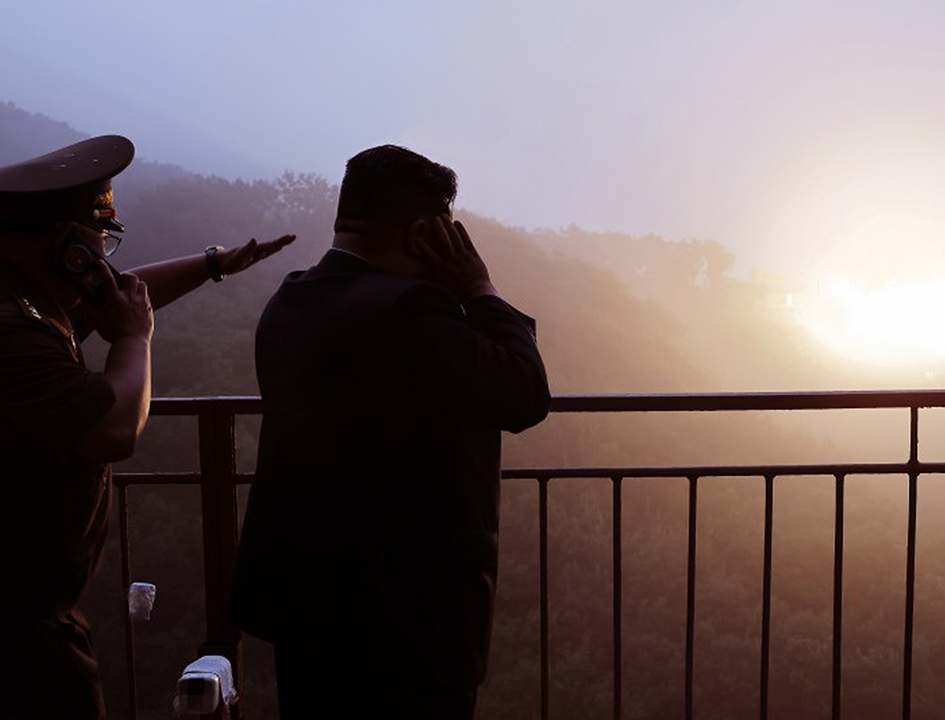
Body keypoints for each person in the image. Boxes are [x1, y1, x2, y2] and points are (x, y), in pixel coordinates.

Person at [230, 145, 551, 719]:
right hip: (407, 623)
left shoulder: (291, 299)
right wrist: (479, 286)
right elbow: (525, 393)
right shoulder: (410, 314)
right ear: (425, 233)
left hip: (303, 603)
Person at [0, 134, 295, 720]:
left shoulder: (27, 299)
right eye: (100, 239)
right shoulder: (14, 333)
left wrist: (213, 265)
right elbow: (113, 429)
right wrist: (134, 339)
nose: (104, 257)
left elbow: (121, 293)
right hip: (19, 636)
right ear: (68, 243)